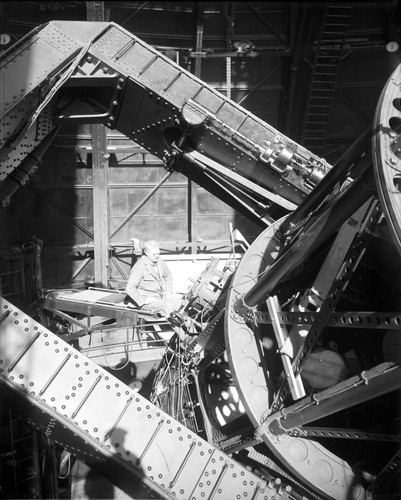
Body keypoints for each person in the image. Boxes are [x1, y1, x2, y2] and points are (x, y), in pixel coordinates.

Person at [125, 240, 182, 317]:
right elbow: (130, 288)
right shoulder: (139, 266)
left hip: (159, 296)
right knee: (167, 306)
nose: (157, 256)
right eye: (154, 254)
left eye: (158, 253)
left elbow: (168, 275)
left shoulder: (159, 261)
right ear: (146, 253)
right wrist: (144, 300)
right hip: (146, 301)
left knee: (179, 303)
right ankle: (177, 327)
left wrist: (168, 291)